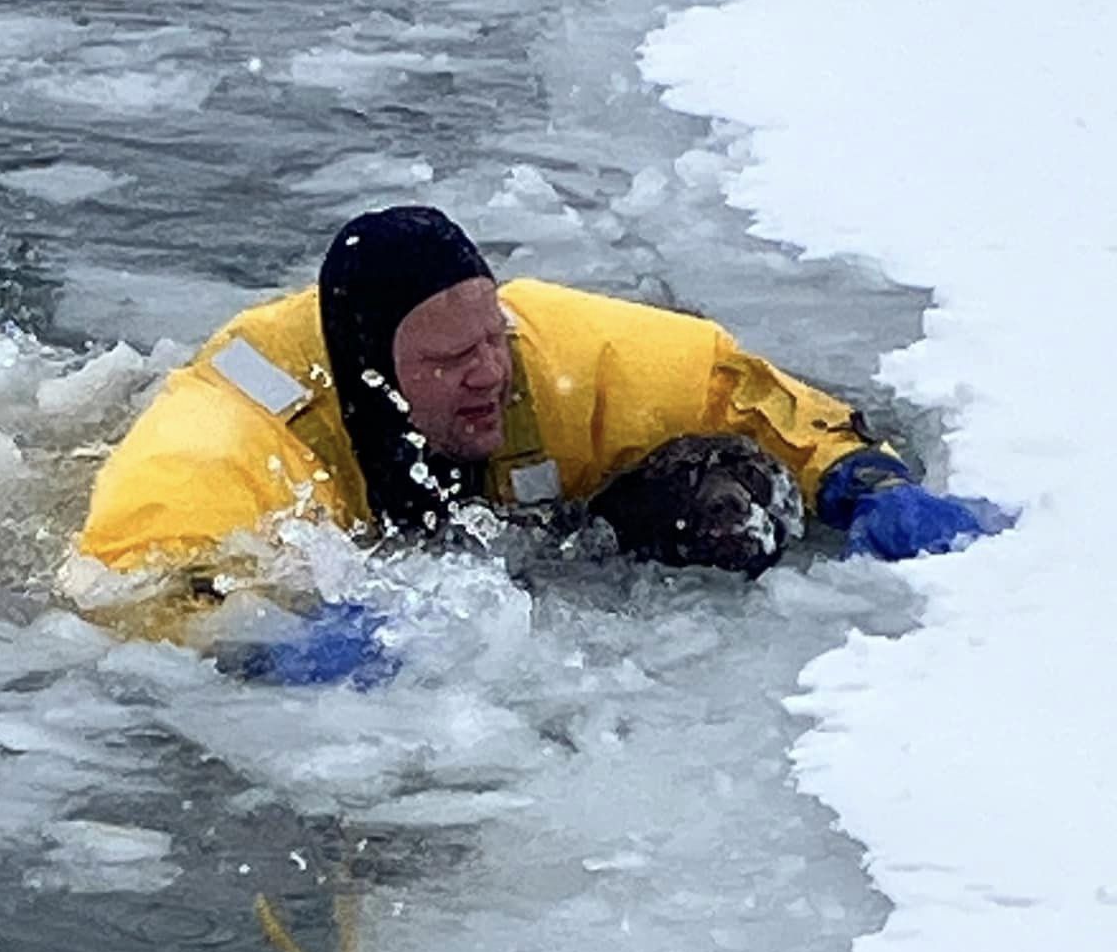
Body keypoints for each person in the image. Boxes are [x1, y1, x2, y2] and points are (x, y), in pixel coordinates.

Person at [72, 206, 1004, 682]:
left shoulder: (546, 352)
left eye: (492, 341)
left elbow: (740, 392)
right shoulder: (235, 427)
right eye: (449, 360)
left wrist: (863, 478)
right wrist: (265, 636)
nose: (488, 374)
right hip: (300, 523)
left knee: (736, 503)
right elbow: (136, 575)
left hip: (524, 527)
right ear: (372, 372)